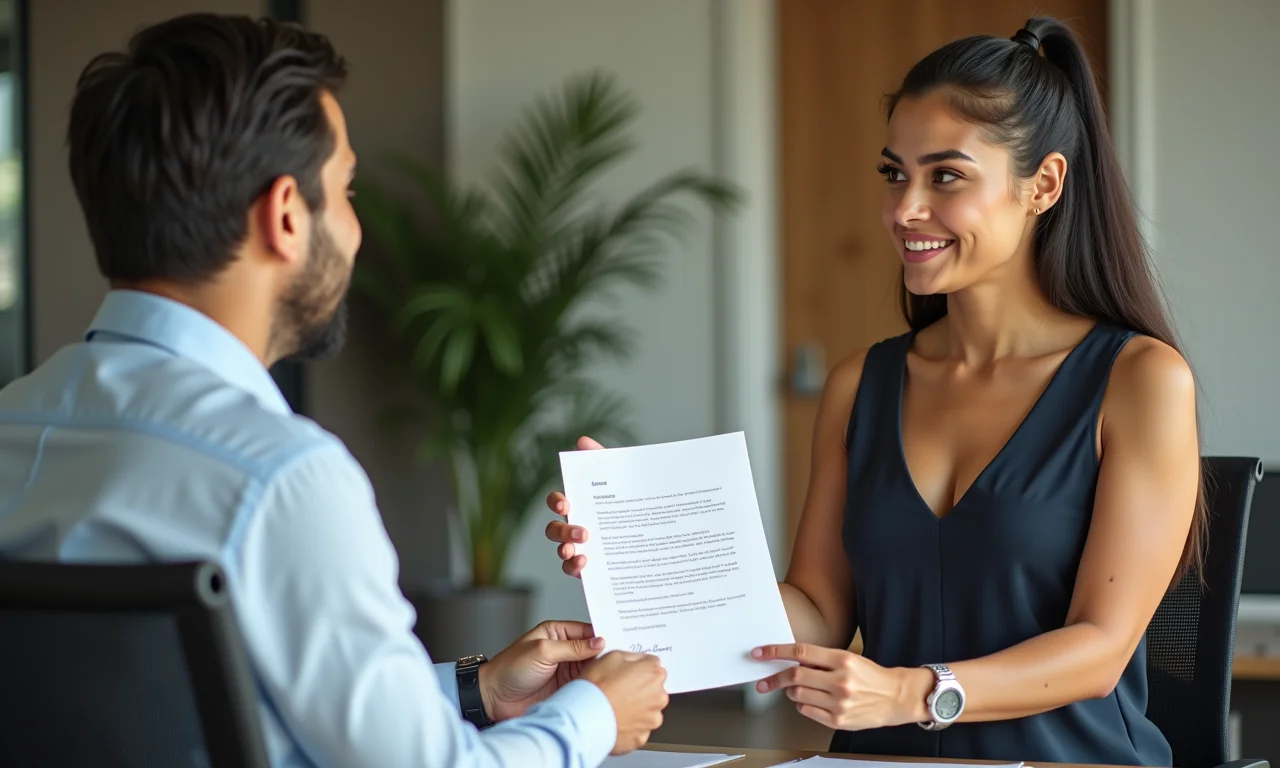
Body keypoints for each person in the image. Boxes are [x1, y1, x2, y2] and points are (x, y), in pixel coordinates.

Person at [0, 13, 668, 768]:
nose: (354, 230)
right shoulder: (279, 478)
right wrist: (595, 715)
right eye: (345, 190)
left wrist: (477, 691)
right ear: (286, 215)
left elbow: (226, 710)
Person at [545, 16, 1202, 767]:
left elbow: (1100, 648)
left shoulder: (1139, 380)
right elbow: (817, 614)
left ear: (1043, 185)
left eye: (945, 176)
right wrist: (636, 549)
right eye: (895, 173)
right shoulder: (862, 384)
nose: (904, 209)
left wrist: (915, 693)